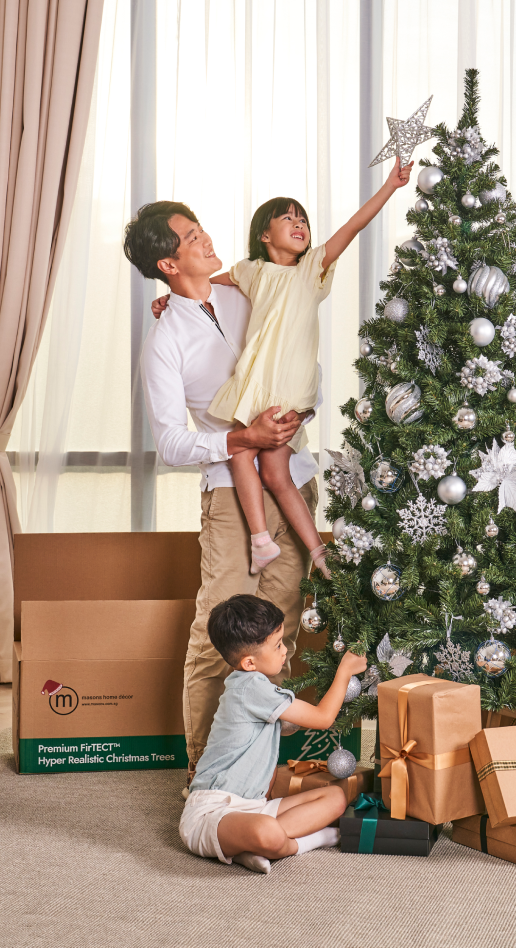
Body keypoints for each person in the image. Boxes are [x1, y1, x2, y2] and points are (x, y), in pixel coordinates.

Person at [124, 200, 319, 790]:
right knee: (221, 632)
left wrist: (295, 413)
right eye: (190, 235)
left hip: (293, 480)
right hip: (230, 494)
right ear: (167, 262)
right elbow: (173, 444)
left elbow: (299, 337)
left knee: (284, 627)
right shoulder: (164, 340)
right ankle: (207, 777)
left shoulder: (246, 291)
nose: (205, 236)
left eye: (200, 225)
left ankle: (277, 771)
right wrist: (240, 437)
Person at [152, 157, 412, 578]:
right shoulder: (251, 273)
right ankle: (293, 547)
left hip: (286, 387)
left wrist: (389, 188)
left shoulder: (311, 270)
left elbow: (351, 228)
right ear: (264, 235)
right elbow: (207, 284)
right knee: (255, 460)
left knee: (252, 458)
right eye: (287, 217)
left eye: (302, 219)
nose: (299, 223)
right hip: (257, 386)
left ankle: (283, 545)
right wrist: (170, 300)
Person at [178, 594, 367, 874]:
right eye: (277, 645)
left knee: (336, 799)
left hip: (255, 807)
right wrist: (344, 672)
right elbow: (322, 719)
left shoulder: (251, 684)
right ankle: (299, 844)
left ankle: (252, 847)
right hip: (212, 812)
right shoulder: (251, 687)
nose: (285, 651)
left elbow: (290, 724)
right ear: (249, 663)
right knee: (266, 830)